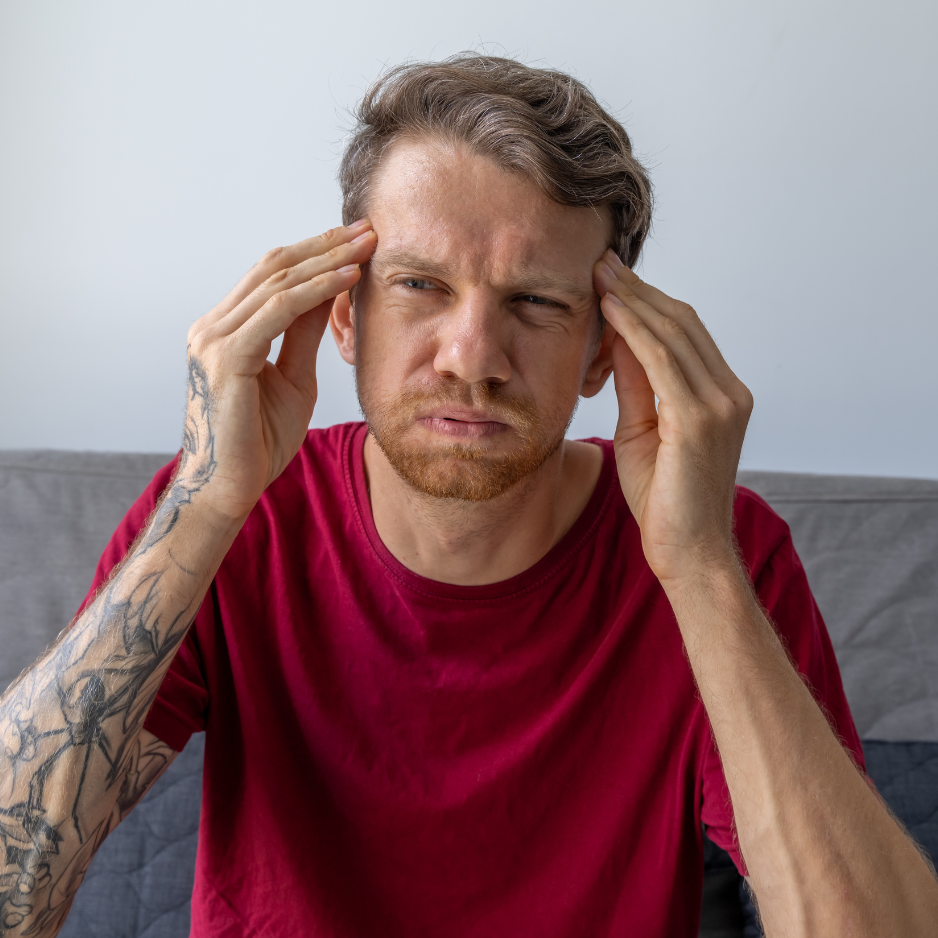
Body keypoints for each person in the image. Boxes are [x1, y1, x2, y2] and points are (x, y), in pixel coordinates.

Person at [1, 54, 936, 938]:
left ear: (605, 350)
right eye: (418, 285)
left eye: (535, 302)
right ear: (341, 314)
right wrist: (206, 504)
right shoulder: (229, 513)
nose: (472, 359)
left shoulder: (718, 549)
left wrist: (695, 566)